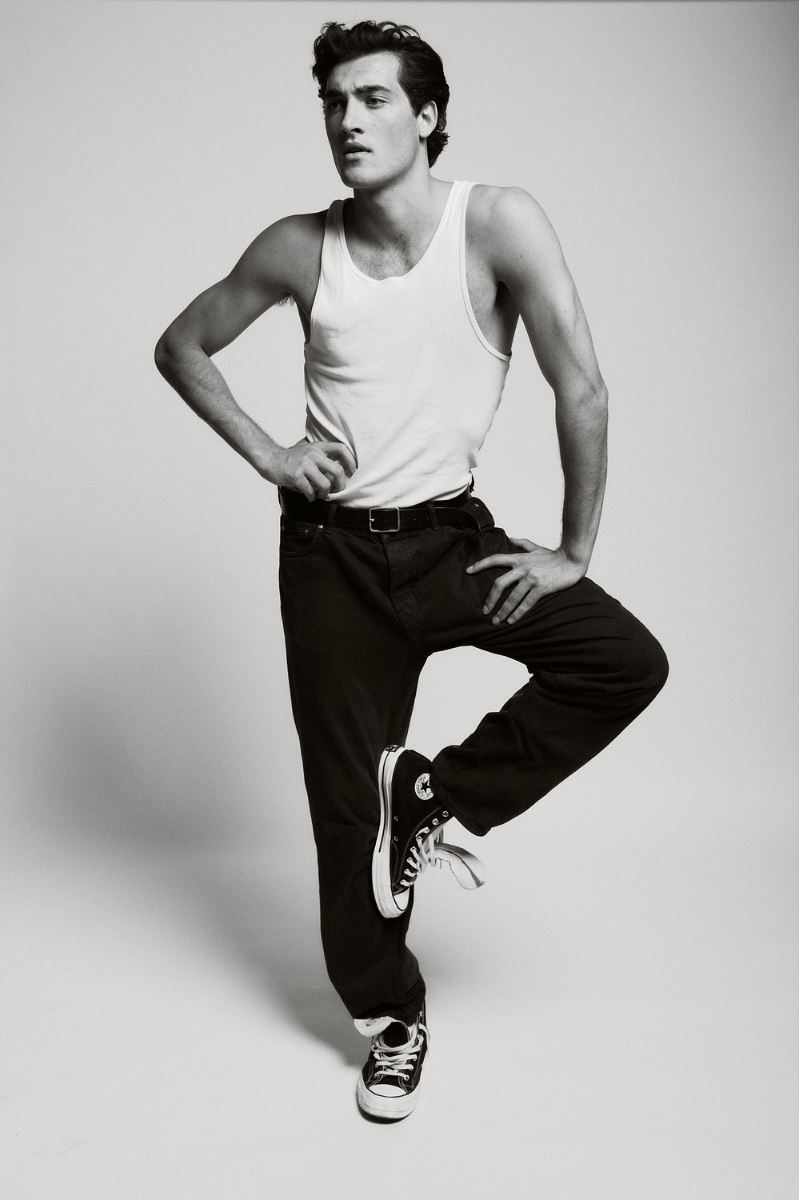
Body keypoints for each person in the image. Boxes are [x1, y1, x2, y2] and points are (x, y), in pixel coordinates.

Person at [154, 19, 668, 1123]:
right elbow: (181, 345)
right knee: (346, 814)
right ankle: (391, 1019)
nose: (348, 121)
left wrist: (573, 552)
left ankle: (433, 795)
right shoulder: (299, 246)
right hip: (330, 558)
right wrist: (272, 454)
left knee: (622, 663)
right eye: (334, 102)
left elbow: (581, 387)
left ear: (428, 116)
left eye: (374, 98)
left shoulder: (498, 222)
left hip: (449, 543)